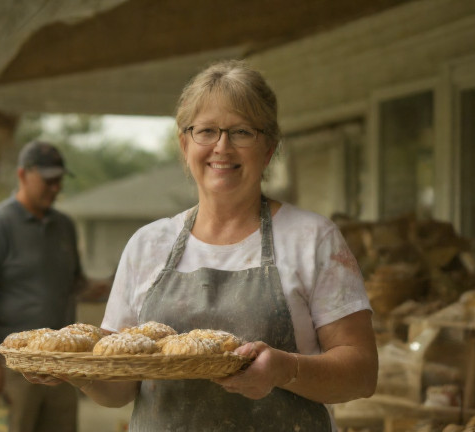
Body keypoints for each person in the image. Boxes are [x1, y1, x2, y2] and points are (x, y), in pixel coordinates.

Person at [27, 60, 378, 431]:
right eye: (206, 131)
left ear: (269, 149)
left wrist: (285, 370)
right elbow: (120, 388)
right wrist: (78, 372)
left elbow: (362, 374)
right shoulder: (148, 245)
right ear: (184, 144)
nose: (222, 147)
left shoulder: (312, 239)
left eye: (242, 132)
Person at [0, 140, 86, 432]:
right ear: (22, 175)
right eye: (48, 180)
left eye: (59, 181)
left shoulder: (65, 226)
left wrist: (114, 285)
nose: (55, 188)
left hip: (63, 363)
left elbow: (77, 284)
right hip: (15, 365)